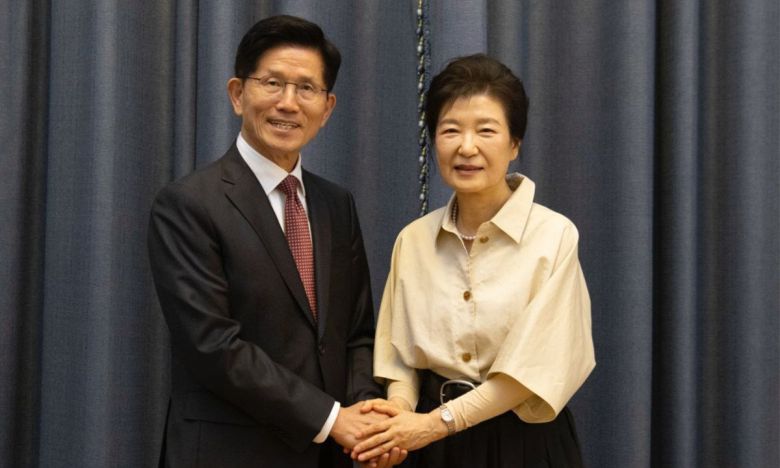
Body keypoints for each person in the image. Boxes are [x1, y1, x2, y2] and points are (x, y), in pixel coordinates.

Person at [148, 15, 404, 468]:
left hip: (331, 454)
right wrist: (332, 419)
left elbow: (356, 333)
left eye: (306, 88)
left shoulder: (336, 205)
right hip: (229, 454)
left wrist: (367, 418)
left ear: (327, 108)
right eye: (272, 83)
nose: (288, 103)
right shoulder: (188, 203)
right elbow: (213, 346)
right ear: (237, 94)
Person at [351, 54, 596, 467]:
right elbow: (399, 357)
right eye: (450, 130)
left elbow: (532, 371)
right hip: (432, 447)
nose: (467, 147)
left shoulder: (554, 236)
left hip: (522, 443)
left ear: (514, 144)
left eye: (486, 130)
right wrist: (398, 415)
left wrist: (434, 424)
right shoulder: (413, 240)